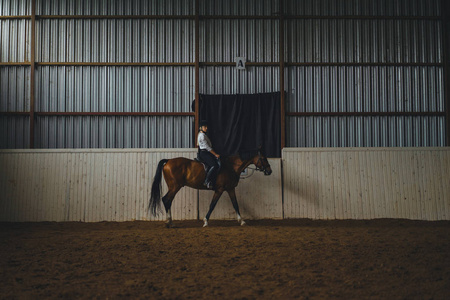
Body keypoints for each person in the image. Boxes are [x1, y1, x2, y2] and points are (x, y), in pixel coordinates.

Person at [197, 120, 220, 189]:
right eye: (205, 127)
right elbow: (207, 147)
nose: (206, 128)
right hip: (204, 153)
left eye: (206, 127)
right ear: (201, 128)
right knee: (214, 165)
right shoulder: (202, 136)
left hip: (206, 152)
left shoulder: (203, 135)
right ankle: (206, 181)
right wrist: (215, 154)